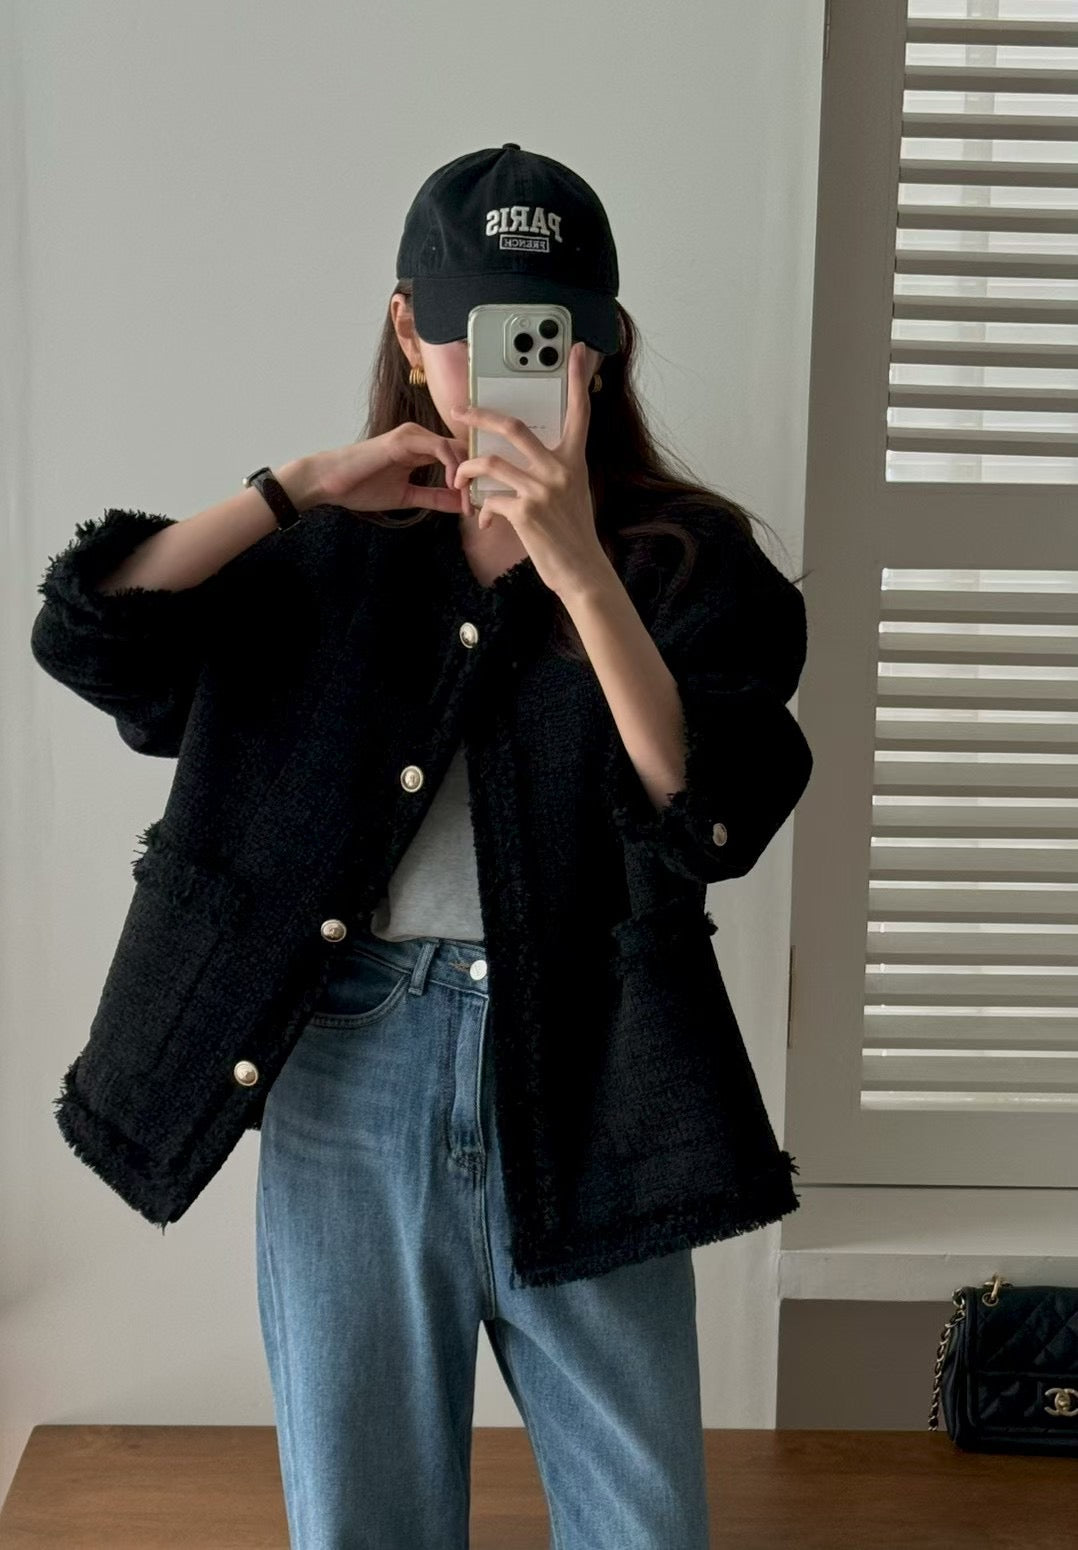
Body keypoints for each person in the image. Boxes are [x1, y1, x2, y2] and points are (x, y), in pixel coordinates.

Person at [31, 143, 813, 1549]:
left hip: (593, 1069)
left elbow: (709, 810)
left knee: (645, 1525)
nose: (502, 363)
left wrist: (577, 563)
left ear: (602, 343)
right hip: (353, 1070)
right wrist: (298, 487)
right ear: (407, 327)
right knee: (364, 1524)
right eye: (466, 329)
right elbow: (94, 635)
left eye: (544, 331)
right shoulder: (325, 549)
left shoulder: (684, 559)